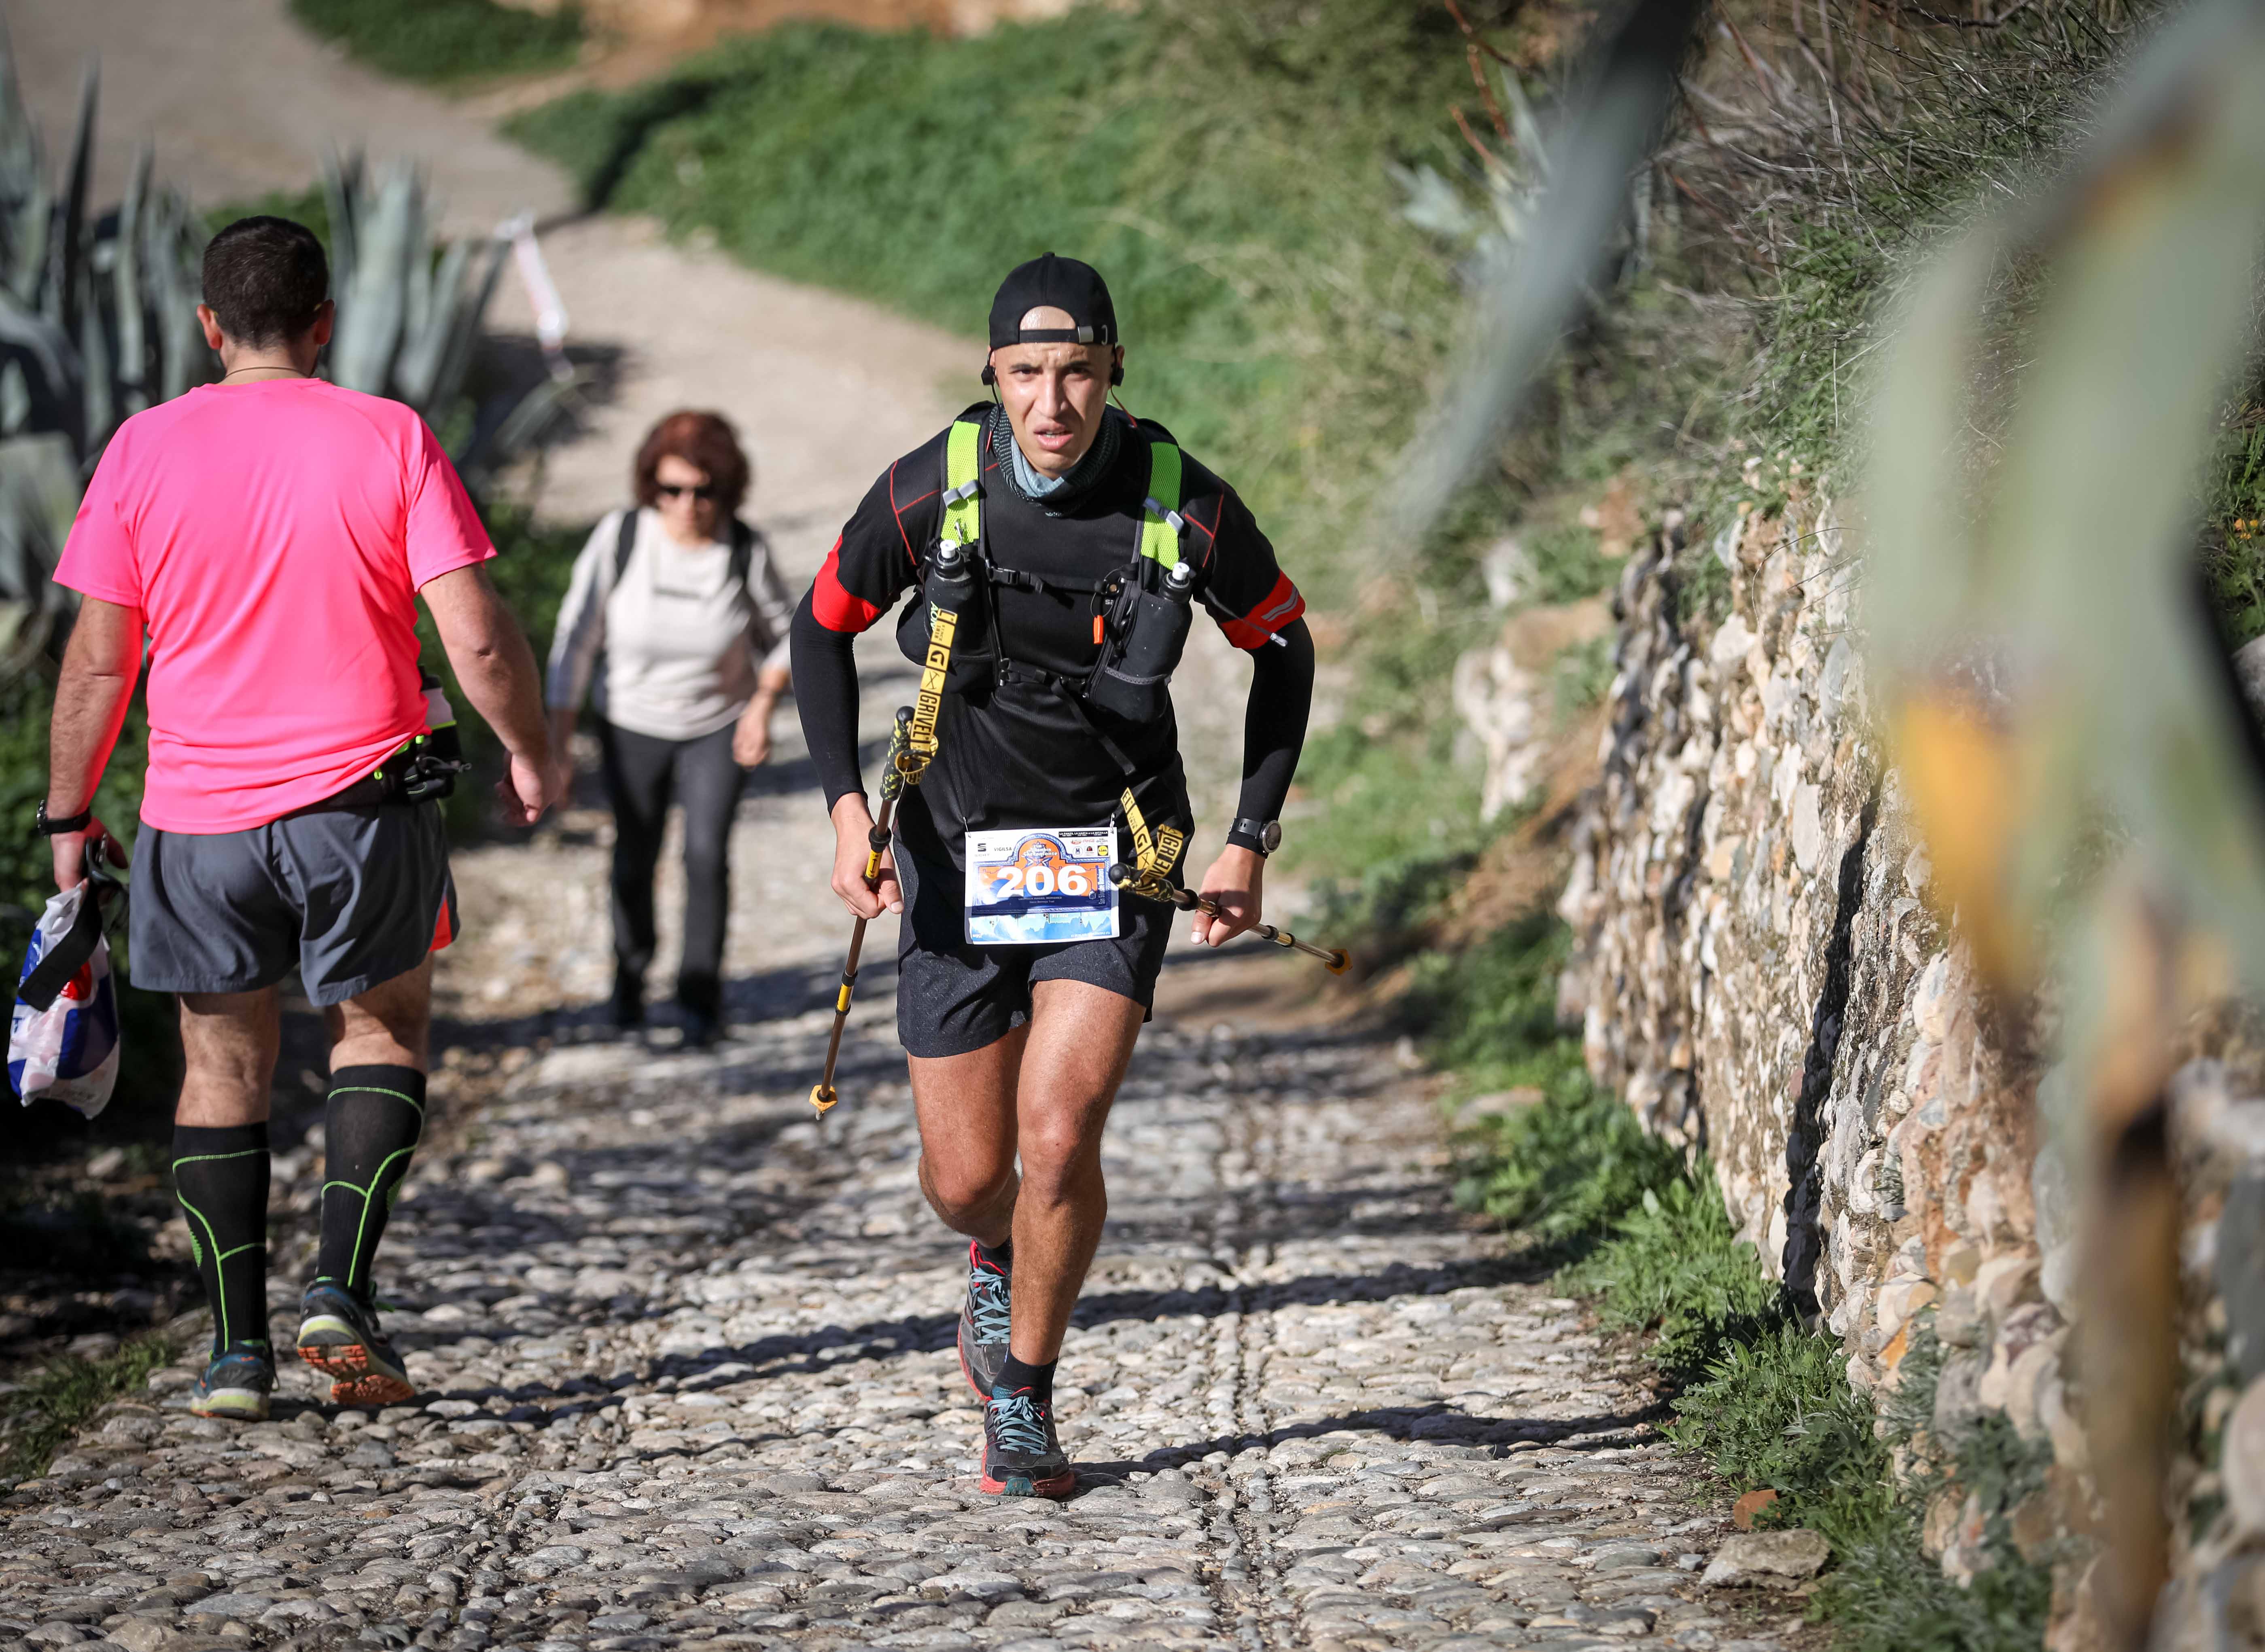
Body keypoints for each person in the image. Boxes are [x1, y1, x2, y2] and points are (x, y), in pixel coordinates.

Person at [791, 254, 1314, 1497]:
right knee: (970, 1178)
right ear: (993, 375)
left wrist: (1248, 832)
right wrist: (840, 810)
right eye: (1026, 372)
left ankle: (1023, 1395)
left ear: (1113, 370)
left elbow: (1284, 647)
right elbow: (821, 624)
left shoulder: (1181, 505)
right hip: (953, 848)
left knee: (1059, 1130)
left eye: (1075, 370)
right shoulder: (933, 487)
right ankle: (990, 1254)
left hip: (1114, 854)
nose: (1052, 399)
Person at [42, 216, 554, 1421]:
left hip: (197, 818)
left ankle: (235, 1352)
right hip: (359, 809)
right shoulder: (387, 435)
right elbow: (472, 632)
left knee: (224, 1063)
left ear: (209, 327)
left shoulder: (140, 449)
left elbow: (99, 665)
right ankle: (340, 1286)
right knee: (378, 1031)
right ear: (324, 322)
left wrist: (71, 811)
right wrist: (528, 748)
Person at [546, 411, 794, 1045]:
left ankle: (699, 1000)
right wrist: (556, 740)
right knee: (636, 852)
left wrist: (763, 704)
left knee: (706, 855)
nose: (687, 505)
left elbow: (790, 638)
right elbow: (577, 637)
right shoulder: (622, 538)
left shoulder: (743, 549)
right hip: (631, 720)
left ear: (727, 489)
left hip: (718, 722)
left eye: (702, 491)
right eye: (671, 490)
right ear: (650, 488)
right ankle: (629, 981)